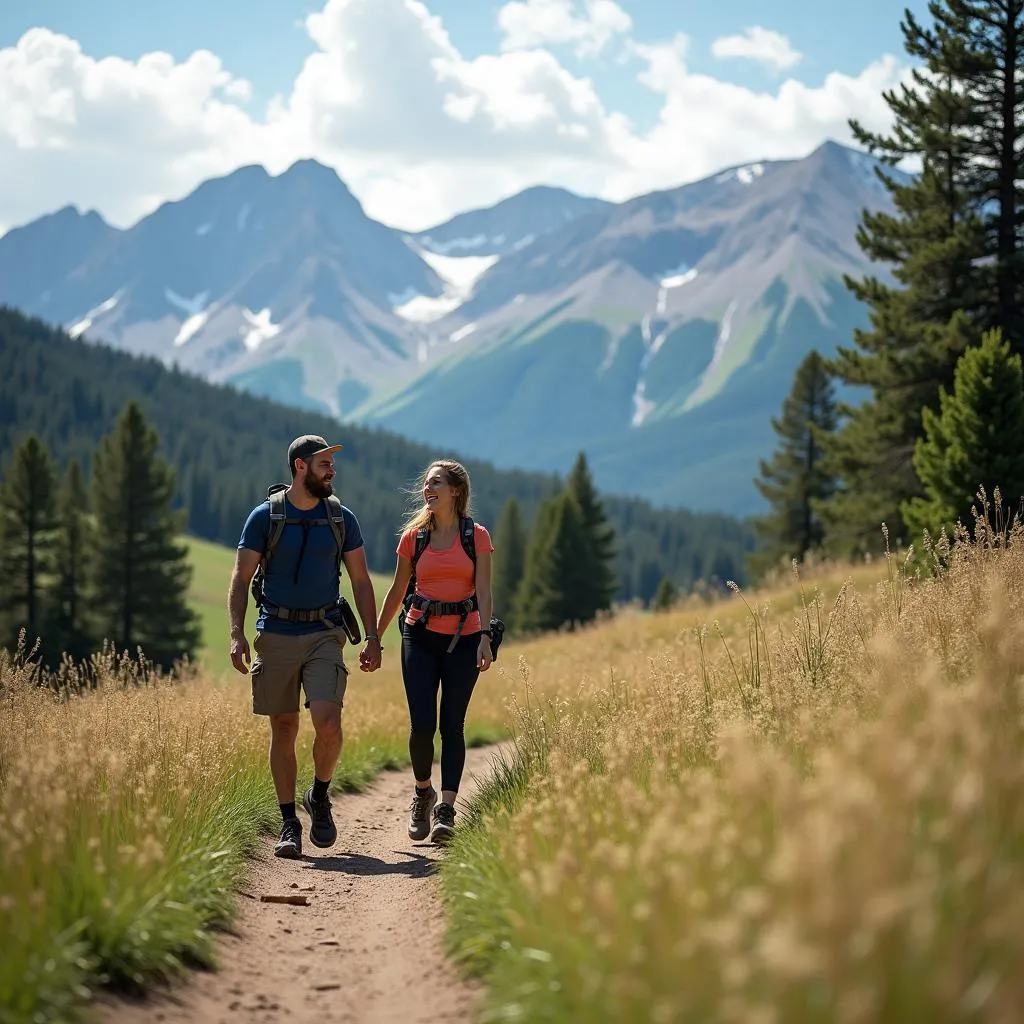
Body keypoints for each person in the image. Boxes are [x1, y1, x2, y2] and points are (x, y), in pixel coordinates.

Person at [227, 434, 382, 859]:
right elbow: (241, 579)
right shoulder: (265, 518)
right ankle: (289, 823)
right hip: (274, 633)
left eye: (332, 463)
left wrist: (372, 636)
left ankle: (319, 794)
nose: (332, 469)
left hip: (324, 633)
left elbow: (362, 581)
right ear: (300, 466)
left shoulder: (341, 518)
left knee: (329, 723)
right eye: (324, 463)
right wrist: (238, 634)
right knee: (285, 728)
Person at [375, 459, 494, 845]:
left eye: (436, 483)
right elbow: (396, 591)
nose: (428, 489)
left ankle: (446, 809)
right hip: (419, 635)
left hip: (464, 637)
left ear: (456, 491)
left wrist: (486, 638)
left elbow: (485, 592)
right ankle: (423, 792)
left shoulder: (476, 537)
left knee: (452, 725)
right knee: (422, 724)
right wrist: (375, 637)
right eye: (426, 483)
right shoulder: (414, 538)